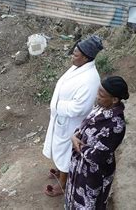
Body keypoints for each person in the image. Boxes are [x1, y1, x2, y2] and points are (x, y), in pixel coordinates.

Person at [43, 35, 104, 197]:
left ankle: (63, 184)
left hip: (72, 123)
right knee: (59, 148)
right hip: (62, 119)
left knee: (67, 152)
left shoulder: (90, 79)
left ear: (85, 57)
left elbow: (80, 108)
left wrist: (57, 105)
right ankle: (61, 171)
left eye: (75, 55)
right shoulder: (78, 67)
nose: (72, 56)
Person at [65, 76, 129, 209]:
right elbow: (85, 125)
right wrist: (75, 135)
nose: (97, 96)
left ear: (114, 99)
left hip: (94, 173)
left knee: (89, 203)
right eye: (98, 91)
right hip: (80, 166)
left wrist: (78, 145)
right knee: (74, 196)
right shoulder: (101, 107)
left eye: (101, 94)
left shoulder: (116, 125)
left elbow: (98, 156)